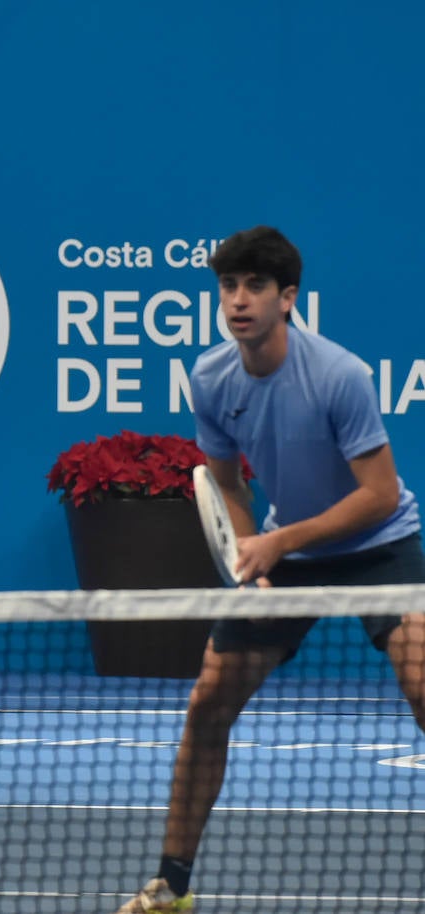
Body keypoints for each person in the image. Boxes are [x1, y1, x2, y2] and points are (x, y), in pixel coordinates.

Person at [112, 226, 425, 913]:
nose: (238, 300)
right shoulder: (212, 379)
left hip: (380, 543)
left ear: (288, 299)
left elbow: (376, 493)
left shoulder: (339, 375)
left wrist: (279, 545)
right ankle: (171, 886)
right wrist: (253, 551)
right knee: (208, 702)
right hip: (289, 552)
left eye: (255, 287)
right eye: (228, 286)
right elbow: (226, 486)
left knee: (423, 682)